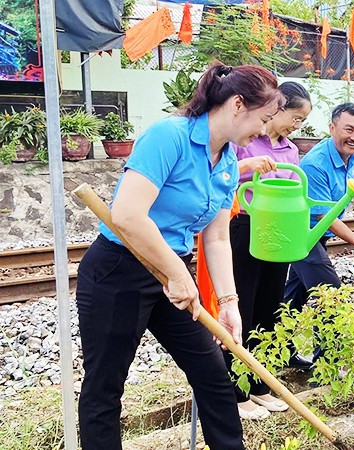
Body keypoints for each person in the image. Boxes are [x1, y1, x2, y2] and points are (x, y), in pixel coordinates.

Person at [75, 62, 284, 450]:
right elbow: (127, 215)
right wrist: (176, 272)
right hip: (120, 270)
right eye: (264, 119)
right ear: (238, 104)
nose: (264, 131)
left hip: (174, 276)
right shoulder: (169, 136)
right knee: (105, 387)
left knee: (214, 374)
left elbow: (217, 237)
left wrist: (228, 302)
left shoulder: (225, 165)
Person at [222, 82, 312, 420]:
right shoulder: (245, 141)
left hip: (280, 233)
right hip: (245, 227)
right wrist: (250, 166)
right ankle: (237, 389)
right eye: (294, 117)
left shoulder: (290, 150)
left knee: (270, 309)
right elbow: (225, 176)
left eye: (302, 122)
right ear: (275, 109)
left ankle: (260, 384)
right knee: (242, 305)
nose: (295, 126)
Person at [284, 102, 354, 361]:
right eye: (349, 129)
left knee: (293, 297)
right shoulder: (315, 164)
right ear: (332, 128)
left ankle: (277, 352)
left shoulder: (353, 152)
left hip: (318, 235)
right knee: (330, 295)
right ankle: (327, 363)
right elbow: (325, 217)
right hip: (302, 234)